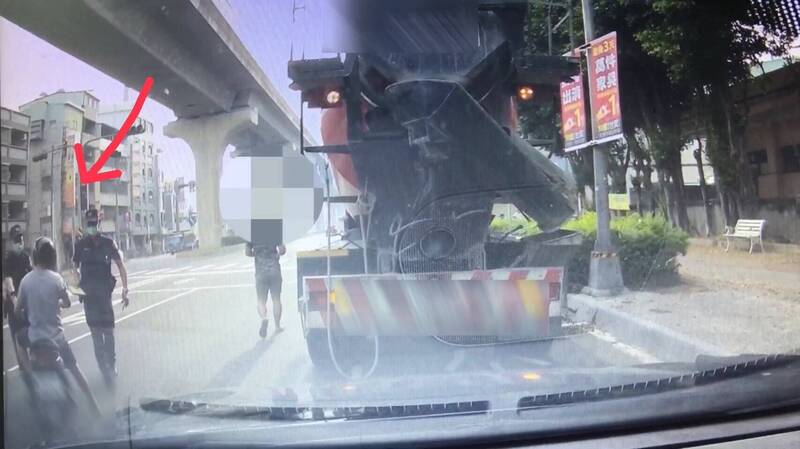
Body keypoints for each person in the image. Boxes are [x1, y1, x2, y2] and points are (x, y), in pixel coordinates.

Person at [15, 237, 100, 414]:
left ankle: (29, 373)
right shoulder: (57, 279)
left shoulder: (25, 281)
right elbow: (67, 303)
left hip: (35, 336)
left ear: (35, 256)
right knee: (75, 369)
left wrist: (26, 310)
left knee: (18, 339)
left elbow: (17, 311)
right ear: (52, 257)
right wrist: (58, 303)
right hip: (57, 338)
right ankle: (94, 406)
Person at [72, 207, 129, 384]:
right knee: (96, 335)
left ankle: (111, 364)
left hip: (104, 297)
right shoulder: (80, 245)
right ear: (86, 224)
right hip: (89, 297)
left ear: (99, 223)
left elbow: (120, 265)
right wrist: (77, 286)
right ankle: (103, 368)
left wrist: (125, 289)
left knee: (108, 332)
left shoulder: (108, 243)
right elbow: (73, 268)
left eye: (94, 224)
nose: (91, 227)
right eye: (89, 224)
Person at [3, 226, 33, 369]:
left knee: (31, 332)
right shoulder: (7, 259)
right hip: (13, 304)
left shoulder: (26, 257)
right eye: (16, 239)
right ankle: (23, 366)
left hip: (27, 303)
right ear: (11, 241)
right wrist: (14, 299)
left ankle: (33, 362)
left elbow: (32, 274)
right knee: (17, 336)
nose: (19, 242)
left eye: (21, 238)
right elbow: (7, 280)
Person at [245, 241, 286, 338]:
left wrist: (257, 253)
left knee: (261, 300)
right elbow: (282, 250)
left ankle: (264, 318)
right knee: (276, 299)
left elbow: (247, 252)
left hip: (260, 272)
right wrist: (275, 253)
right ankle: (277, 326)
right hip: (274, 270)